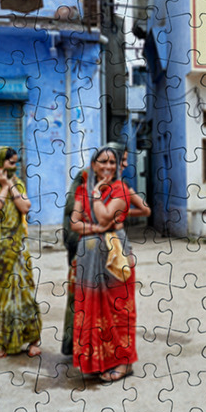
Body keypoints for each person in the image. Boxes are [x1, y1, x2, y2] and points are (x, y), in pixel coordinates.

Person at [70, 145, 138, 383]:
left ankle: (125, 362)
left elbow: (105, 217)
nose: (108, 167)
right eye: (103, 162)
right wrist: (95, 229)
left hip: (115, 253)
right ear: (94, 164)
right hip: (89, 256)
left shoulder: (120, 189)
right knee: (92, 308)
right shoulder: (81, 190)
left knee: (119, 308)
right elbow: (75, 223)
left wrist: (98, 200)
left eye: (112, 162)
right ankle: (98, 360)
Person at [0, 147, 42, 358]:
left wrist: (9, 184)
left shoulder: (16, 181)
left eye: (15, 162)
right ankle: (6, 342)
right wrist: (2, 186)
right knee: (1, 296)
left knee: (25, 292)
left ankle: (33, 339)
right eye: (11, 162)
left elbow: (25, 207)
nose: (14, 166)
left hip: (18, 248)